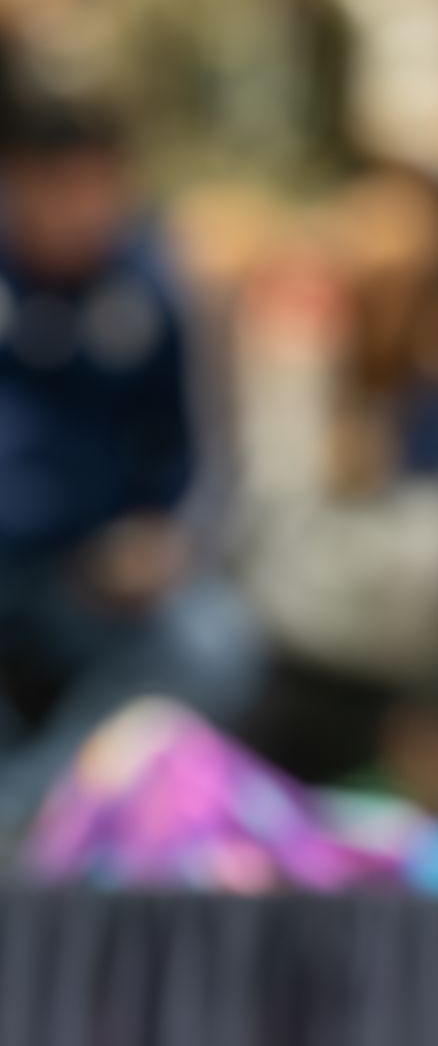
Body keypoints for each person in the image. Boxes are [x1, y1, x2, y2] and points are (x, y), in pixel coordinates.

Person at [0, 78, 252, 814]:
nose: (86, 211)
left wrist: (171, 542)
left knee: (213, 644)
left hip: (91, 578)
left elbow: (208, 465)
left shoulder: (158, 287)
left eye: (102, 186)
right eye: (61, 188)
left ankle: (34, 820)